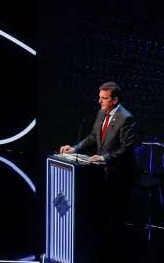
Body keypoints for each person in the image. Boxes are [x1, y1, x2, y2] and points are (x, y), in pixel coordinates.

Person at [59, 82, 135, 258]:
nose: (99, 101)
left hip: (120, 174)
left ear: (114, 100)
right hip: (102, 173)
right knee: (101, 212)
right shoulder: (102, 113)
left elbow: (126, 148)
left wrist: (104, 158)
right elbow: (93, 138)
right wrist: (75, 149)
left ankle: (116, 253)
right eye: (99, 97)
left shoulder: (126, 118)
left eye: (104, 98)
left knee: (117, 216)